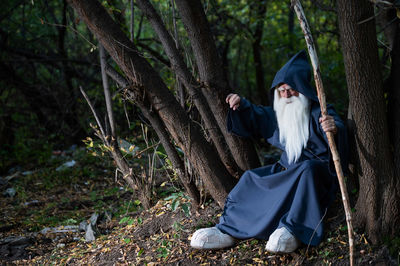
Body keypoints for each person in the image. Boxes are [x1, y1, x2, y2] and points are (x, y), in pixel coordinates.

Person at [190, 51, 348, 253]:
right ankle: (229, 229)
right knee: (250, 178)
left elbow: (339, 131)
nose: (286, 95)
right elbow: (258, 115)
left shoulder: (320, 112)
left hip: (315, 175)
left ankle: (293, 229)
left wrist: (333, 128)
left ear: (302, 90)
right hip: (286, 170)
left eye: (291, 90)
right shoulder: (280, 114)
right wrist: (241, 105)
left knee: (307, 169)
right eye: (281, 91)